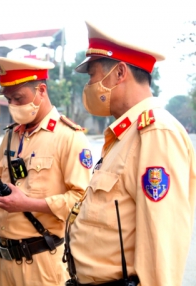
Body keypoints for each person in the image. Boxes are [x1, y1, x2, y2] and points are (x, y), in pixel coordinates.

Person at [65, 21, 196, 286]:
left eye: (92, 75)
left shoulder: (155, 133)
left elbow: (161, 245)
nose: (89, 85)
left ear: (120, 72)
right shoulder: (125, 134)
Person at [0, 57, 92, 285]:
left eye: (19, 98)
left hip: (41, 263)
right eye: (9, 100)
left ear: (41, 90)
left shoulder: (69, 137)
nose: (14, 105)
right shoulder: (12, 134)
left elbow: (81, 201)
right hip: (4, 259)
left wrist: (28, 204)